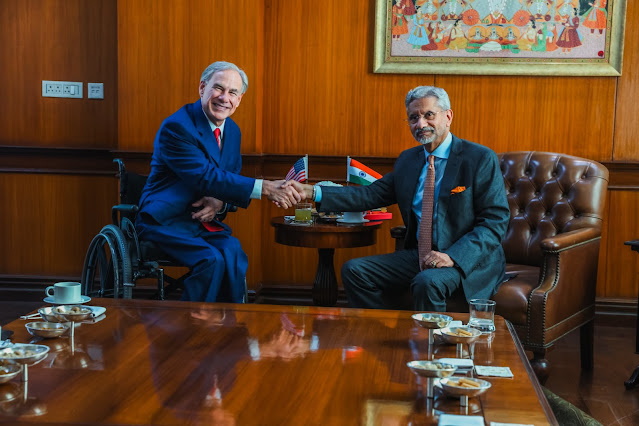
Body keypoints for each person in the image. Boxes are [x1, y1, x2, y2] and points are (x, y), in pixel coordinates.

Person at [286, 86, 509, 312]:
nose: (420, 124)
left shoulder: (479, 158)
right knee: (354, 270)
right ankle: (378, 338)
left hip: (467, 260)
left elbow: (495, 222)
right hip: (422, 255)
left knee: (428, 281)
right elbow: (369, 194)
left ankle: (431, 346)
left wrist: (452, 256)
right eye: (414, 118)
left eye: (428, 115)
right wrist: (312, 192)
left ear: (448, 116)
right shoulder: (408, 160)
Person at [136, 61, 303, 303]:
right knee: (210, 259)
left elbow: (227, 183)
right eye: (219, 88)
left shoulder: (232, 131)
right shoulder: (177, 127)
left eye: (233, 92)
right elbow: (204, 176)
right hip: (165, 220)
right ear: (202, 88)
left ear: (240, 99)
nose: (225, 98)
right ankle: (193, 330)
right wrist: (264, 187)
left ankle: (228, 327)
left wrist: (220, 203)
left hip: (201, 222)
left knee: (233, 252)